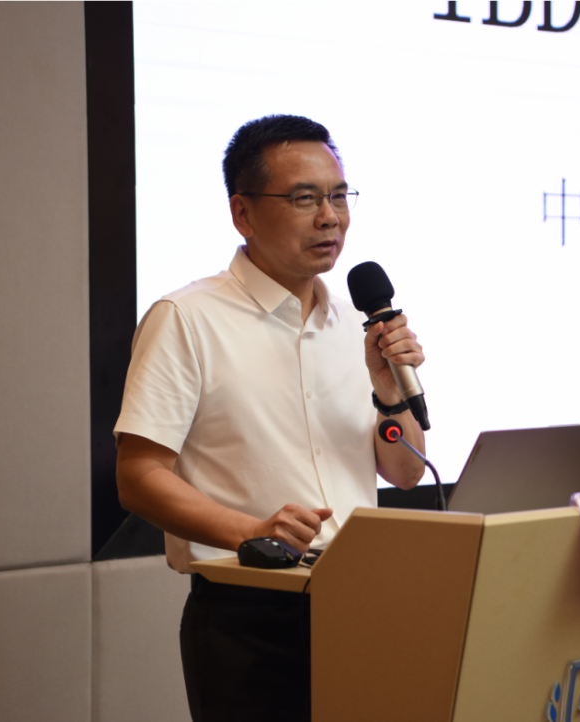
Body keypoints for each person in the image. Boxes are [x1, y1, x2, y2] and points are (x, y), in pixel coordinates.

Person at [113, 114, 427, 722]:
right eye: (304, 198)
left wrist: (390, 395)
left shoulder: (357, 324)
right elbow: (138, 477)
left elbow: (406, 473)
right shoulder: (187, 318)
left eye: (339, 196)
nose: (330, 217)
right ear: (243, 213)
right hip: (248, 617)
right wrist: (251, 531)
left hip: (360, 602)